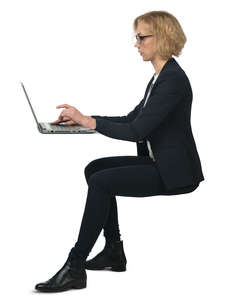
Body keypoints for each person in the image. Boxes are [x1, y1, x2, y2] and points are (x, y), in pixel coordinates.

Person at [35, 10, 204, 293]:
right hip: (157, 163)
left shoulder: (173, 80)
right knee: (95, 170)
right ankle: (114, 251)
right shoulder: (160, 78)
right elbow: (131, 119)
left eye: (141, 37)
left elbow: (138, 132)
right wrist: (84, 120)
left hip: (175, 173)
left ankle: (74, 266)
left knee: (102, 182)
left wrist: (91, 122)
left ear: (161, 38)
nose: (136, 44)